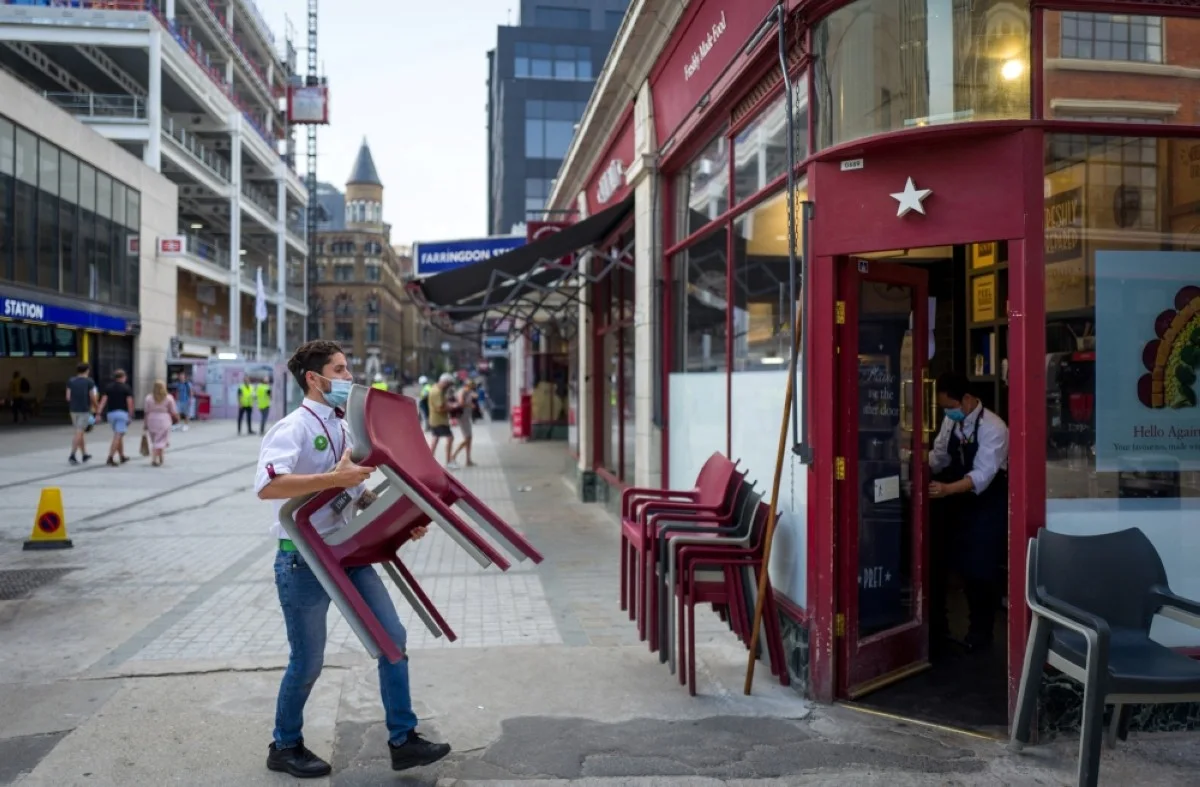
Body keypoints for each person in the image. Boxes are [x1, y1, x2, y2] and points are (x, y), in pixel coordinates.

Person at [255, 340, 451, 778]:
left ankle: (404, 739)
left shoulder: (345, 428)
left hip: (349, 552)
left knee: (392, 639)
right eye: (340, 370)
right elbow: (268, 487)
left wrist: (402, 521)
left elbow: (356, 494)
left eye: (347, 369)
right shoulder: (292, 428)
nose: (349, 379)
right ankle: (284, 745)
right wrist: (334, 477)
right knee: (307, 662)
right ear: (314, 378)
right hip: (302, 560)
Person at [928, 371, 1009, 653]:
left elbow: (983, 475)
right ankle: (941, 628)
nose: (948, 413)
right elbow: (940, 456)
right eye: (944, 409)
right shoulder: (951, 422)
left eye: (950, 407)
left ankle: (981, 633)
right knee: (947, 559)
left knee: (981, 567)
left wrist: (947, 489)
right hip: (957, 499)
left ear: (966, 399)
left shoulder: (994, 428)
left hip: (987, 501)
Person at [96, 369, 135, 467]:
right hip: (122, 414)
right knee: (118, 436)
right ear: (123, 377)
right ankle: (110, 457)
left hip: (111, 415)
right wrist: (131, 415)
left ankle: (122, 456)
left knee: (119, 435)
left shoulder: (108, 387)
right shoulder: (126, 388)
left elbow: (103, 401)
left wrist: (98, 413)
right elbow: (129, 402)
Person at [66, 363, 97, 465]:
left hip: (73, 410)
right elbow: (92, 397)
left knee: (80, 432)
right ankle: (72, 455)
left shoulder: (71, 381)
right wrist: (97, 407)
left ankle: (84, 454)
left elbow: (68, 397)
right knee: (79, 432)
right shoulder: (89, 381)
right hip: (84, 410)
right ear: (87, 370)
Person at [142, 379, 178, 467]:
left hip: (151, 419)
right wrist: (176, 418)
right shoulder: (169, 397)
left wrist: (145, 424)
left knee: (155, 440)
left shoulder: (148, 398)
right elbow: (173, 411)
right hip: (164, 419)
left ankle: (161, 457)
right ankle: (155, 458)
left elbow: (146, 411)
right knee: (161, 440)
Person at [427, 373, 457, 469]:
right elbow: (440, 408)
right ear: (444, 382)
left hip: (436, 419)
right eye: (448, 384)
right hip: (439, 420)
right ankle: (448, 461)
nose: (449, 387)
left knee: (435, 439)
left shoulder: (438, 390)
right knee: (450, 438)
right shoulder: (437, 392)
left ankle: (428, 462)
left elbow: (442, 404)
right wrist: (452, 407)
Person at [450, 380, 478, 468]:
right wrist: (470, 405)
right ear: (467, 385)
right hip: (462, 418)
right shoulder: (462, 392)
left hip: (466, 417)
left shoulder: (468, 392)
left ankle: (468, 460)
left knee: (469, 438)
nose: (472, 389)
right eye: (471, 386)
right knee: (467, 438)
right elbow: (461, 403)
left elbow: (473, 396)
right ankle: (454, 455)